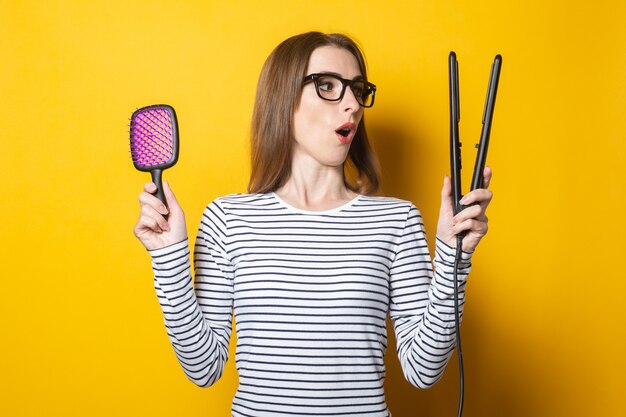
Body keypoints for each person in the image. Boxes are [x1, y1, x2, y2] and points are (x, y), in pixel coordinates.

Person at [133, 32, 492, 417]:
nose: (352, 104)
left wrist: (456, 256)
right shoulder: (228, 219)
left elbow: (423, 370)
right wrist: (167, 257)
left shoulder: (396, 220)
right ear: (283, 98)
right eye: (327, 86)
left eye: (358, 90)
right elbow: (204, 368)